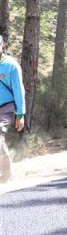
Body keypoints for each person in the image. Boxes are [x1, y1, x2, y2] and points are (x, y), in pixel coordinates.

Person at [0, 36, 25, 183]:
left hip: (6, 108)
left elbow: (19, 91)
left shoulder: (11, 65)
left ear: (4, 46)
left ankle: (7, 173)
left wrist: (20, 114)